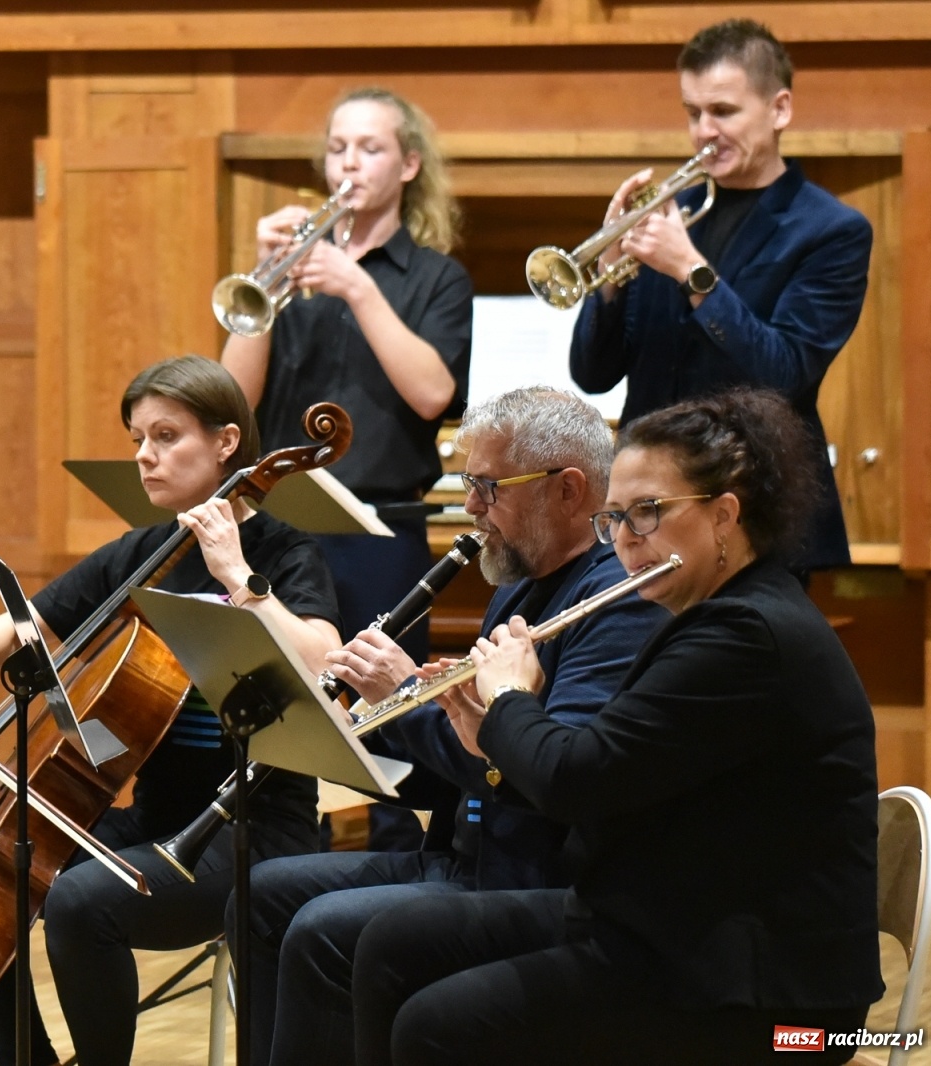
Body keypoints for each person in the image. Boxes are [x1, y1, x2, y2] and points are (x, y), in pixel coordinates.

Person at [351, 388, 882, 1066]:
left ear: (725, 515)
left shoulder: (747, 636)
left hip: (773, 996)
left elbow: (577, 779)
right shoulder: (706, 617)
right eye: (616, 519)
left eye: (649, 514)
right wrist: (482, 726)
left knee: (438, 1025)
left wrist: (512, 700)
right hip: (670, 926)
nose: (628, 541)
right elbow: (606, 772)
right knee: (396, 944)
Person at [0, 354, 342, 1066]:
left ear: (228, 442)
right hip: (155, 819)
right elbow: (21, 624)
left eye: (166, 436)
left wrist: (237, 577)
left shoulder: (286, 554)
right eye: (138, 437)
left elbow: (323, 664)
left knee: (79, 901)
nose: (144, 456)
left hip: (248, 836)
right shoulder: (142, 555)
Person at [227, 387, 668, 1066]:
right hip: (462, 852)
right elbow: (462, 765)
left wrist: (407, 692)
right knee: (258, 895)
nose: (470, 508)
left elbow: (536, 782)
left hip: (531, 877)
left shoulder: (616, 607)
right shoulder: (516, 585)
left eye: (489, 487)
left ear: (570, 491)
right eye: (469, 484)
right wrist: (359, 731)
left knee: (321, 931)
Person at [222, 87, 473, 851]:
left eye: (368, 148)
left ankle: (393, 886)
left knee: (382, 712)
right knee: (277, 715)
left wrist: (358, 287)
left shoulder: (435, 279)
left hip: (381, 530)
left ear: (407, 164)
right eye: (337, 148)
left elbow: (434, 392)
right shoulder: (291, 270)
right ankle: (276, 879)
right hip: (285, 525)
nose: (349, 163)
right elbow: (234, 396)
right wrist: (266, 280)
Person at [569, 18, 872, 573]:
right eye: (693, 112)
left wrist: (691, 271)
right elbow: (593, 373)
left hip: (755, 510)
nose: (704, 130)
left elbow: (785, 374)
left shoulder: (831, 230)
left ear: (779, 109)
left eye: (724, 111)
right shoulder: (673, 218)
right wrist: (610, 274)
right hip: (646, 508)